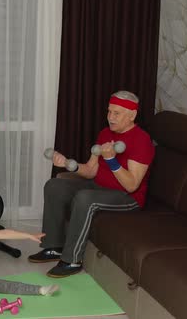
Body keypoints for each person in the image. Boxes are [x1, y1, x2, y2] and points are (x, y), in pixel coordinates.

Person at [29, 91, 155, 278]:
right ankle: (53, 246)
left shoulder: (141, 140)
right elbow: (90, 170)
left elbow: (132, 185)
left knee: (85, 197)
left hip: (127, 198)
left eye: (116, 113)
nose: (110, 117)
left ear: (132, 115)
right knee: (54, 185)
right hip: (100, 187)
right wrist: (67, 164)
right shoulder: (105, 133)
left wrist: (112, 160)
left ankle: (72, 260)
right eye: (109, 112)